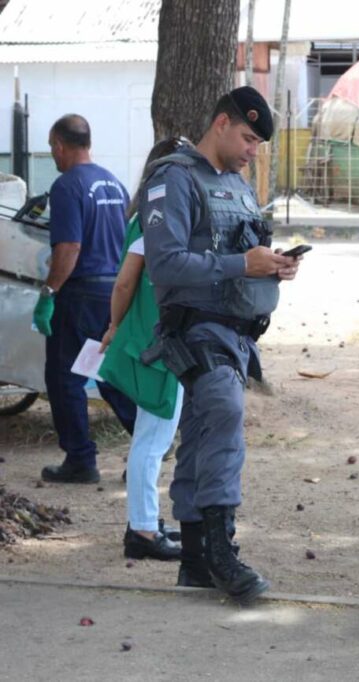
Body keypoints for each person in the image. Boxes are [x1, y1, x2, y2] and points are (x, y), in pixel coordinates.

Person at [141, 86, 301, 604]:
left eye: (258, 143)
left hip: (235, 332)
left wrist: (273, 265)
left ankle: (194, 560)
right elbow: (164, 265)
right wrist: (242, 264)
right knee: (225, 415)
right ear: (222, 124)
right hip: (195, 329)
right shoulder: (175, 179)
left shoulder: (236, 184)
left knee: (205, 431)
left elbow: (240, 249)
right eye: (249, 138)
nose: (253, 150)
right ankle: (221, 553)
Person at [98, 137, 196, 562]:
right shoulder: (158, 220)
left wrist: (117, 325)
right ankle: (142, 529)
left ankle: (145, 522)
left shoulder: (145, 216)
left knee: (148, 438)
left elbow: (125, 283)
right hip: (158, 344)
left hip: (146, 339)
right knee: (152, 443)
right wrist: (115, 325)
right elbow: (124, 281)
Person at [34, 114, 137, 484]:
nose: (53, 155)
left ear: (60, 145)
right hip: (113, 291)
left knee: (64, 378)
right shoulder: (114, 183)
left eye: (51, 149)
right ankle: (147, 443)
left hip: (79, 294)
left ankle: (80, 459)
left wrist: (48, 292)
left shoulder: (66, 186)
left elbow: (69, 247)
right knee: (106, 374)